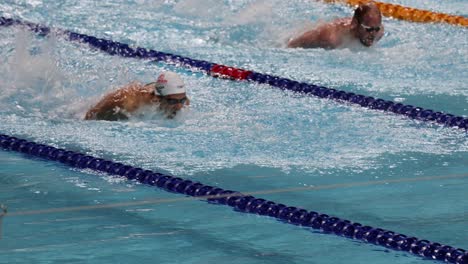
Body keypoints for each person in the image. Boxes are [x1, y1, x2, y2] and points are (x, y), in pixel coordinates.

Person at [84, 71, 190, 121]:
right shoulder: (128, 100)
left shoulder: (181, 100)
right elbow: (93, 112)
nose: (179, 107)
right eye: (172, 102)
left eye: (182, 100)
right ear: (157, 98)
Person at [287, 2, 384, 49]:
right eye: (368, 29)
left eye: (376, 29)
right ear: (355, 23)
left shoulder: (379, 32)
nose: (373, 34)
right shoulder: (331, 36)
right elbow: (292, 44)